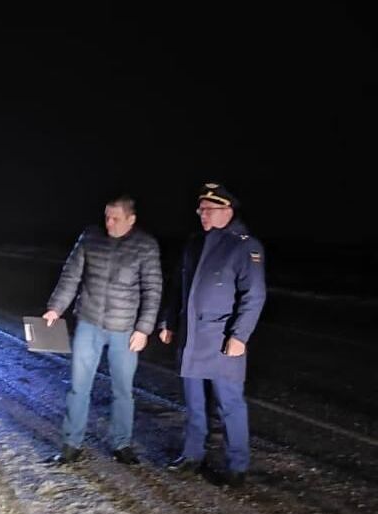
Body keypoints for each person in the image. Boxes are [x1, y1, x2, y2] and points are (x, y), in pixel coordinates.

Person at [158, 183, 266, 484]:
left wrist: (239, 336)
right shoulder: (194, 243)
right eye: (200, 210)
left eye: (209, 210)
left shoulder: (245, 246)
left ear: (227, 211)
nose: (202, 215)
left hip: (222, 340)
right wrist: (168, 321)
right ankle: (192, 455)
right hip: (192, 337)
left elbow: (254, 295)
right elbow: (179, 287)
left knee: (229, 404)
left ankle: (237, 466)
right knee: (193, 403)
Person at [43, 195, 162, 465]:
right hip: (89, 322)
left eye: (116, 218)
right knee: (78, 387)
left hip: (124, 329)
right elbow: (71, 276)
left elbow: (152, 290)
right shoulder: (90, 238)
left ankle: (122, 444)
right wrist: (56, 308)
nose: (109, 222)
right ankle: (71, 444)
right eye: (107, 216)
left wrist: (143, 329)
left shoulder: (145, 246)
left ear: (131, 219)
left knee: (122, 389)